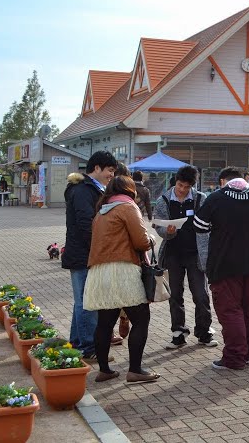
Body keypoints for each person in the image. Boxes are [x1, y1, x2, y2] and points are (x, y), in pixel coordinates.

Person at [194, 167, 249, 370]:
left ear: (223, 181)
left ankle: (234, 357)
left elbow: (199, 225)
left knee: (231, 311)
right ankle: (248, 353)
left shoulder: (217, 198)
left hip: (225, 264)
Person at [83, 176, 158, 384]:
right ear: (129, 189)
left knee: (105, 323)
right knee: (141, 319)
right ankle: (135, 370)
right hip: (123, 270)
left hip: (99, 272)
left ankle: (104, 370)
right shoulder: (127, 207)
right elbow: (141, 241)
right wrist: (151, 238)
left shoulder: (101, 211)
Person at [153, 165, 217, 350]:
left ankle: (204, 332)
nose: (182, 190)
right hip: (173, 254)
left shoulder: (200, 199)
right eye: (180, 185)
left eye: (186, 187)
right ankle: (178, 333)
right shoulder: (164, 200)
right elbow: (159, 226)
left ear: (192, 186)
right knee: (175, 295)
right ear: (175, 181)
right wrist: (168, 231)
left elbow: (209, 223)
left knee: (201, 294)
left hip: (195, 254)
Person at [62, 150, 118, 359]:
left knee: (82, 302)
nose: (111, 175)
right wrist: (100, 248)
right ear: (97, 168)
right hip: (84, 254)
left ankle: (77, 343)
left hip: (83, 253)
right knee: (87, 303)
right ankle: (89, 348)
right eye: (109, 170)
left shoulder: (89, 188)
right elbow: (87, 224)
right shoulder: (84, 190)